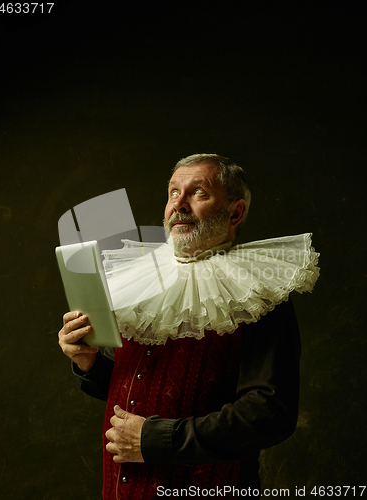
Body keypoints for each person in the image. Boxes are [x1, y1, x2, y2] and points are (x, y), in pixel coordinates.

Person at [58, 154, 319, 499]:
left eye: (198, 193)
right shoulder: (141, 278)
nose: (178, 205)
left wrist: (156, 439)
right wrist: (89, 364)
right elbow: (146, 387)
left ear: (235, 213)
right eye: (173, 192)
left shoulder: (261, 294)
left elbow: (270, 412)